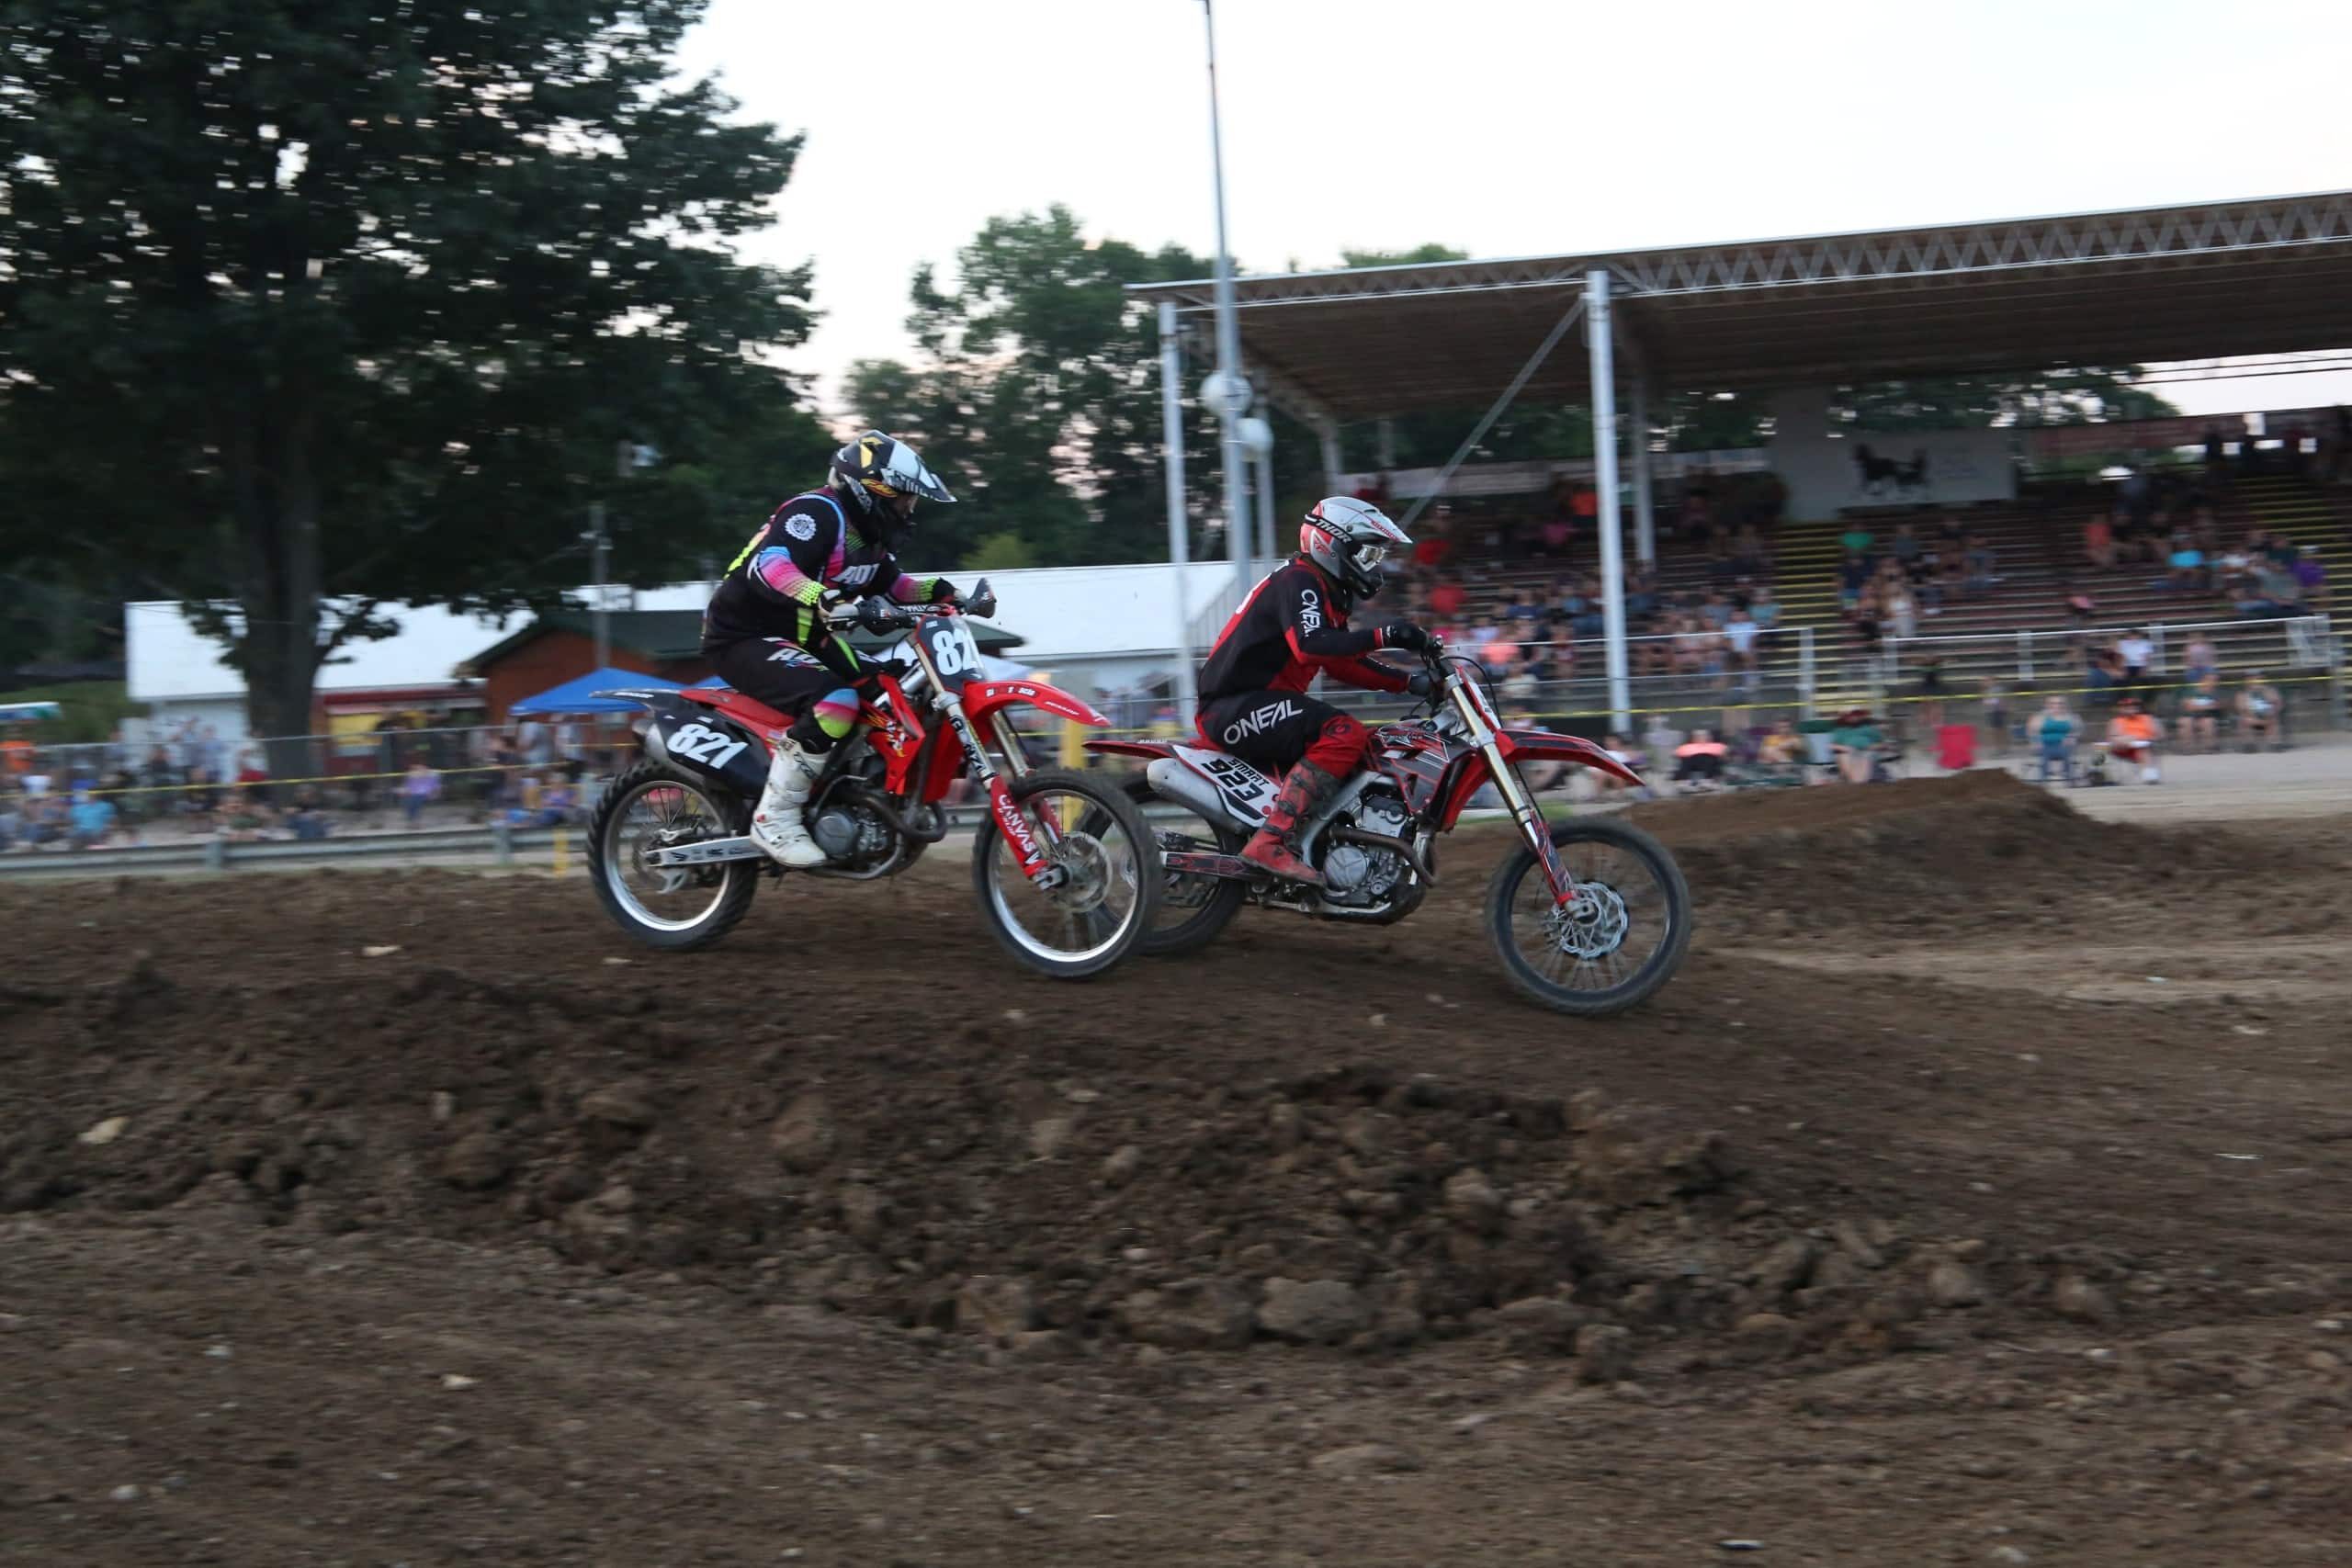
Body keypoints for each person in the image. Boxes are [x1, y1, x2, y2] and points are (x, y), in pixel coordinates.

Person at [700, 431, 964, 866]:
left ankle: (849, 798)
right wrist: (820, 596)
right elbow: (771, 565)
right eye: (904, 501)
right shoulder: (817, 513)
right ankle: (775, 818)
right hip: (742, 636)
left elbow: (897, 587)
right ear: (872, 490)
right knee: (835, 703)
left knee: (894, 692)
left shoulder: (868, 538)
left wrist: (949, 593)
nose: (908, 511)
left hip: (809, 640)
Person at [1193, 497, 1432, 886]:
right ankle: (1271, 841)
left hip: (1256, 704)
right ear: (1333, 544)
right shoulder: (1300, 580)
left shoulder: (1324, 588)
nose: (1373, 565)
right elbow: (1311, 645)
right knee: (1344, 733)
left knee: (1372, 743)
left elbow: (1340, 662)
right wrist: (1385, 635)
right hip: (1232, 706)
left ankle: (1323, 840)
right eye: (1367, 553)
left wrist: (1408, 682)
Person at [2106, 696, 2163, 784]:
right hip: (2123, 748)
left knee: (2143, 750)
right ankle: (2100, 775)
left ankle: (2150, 778)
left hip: (2143, 748)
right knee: (2103, 747)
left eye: (2134, 705)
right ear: (2121, 709)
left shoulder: (2147, 718)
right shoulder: (2117, 721)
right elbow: (2112, 739)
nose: (2131, 708)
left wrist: (2140, 739)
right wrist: (2126, 739)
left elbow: (2158, 735)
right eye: (2127, 706)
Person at [2030, 695, 2079, 784]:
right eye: (2053, 703)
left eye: (2059, 703)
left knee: (2065, 752)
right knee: (2045, 754)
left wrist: (2071, 737)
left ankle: (2069, 778)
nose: (2056, 706)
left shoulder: (2070, 717)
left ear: (2064, 705)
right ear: (2047, 705)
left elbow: (2076, 731)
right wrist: (2036, 741)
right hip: (2045, 745)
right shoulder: (2040, 717)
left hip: (2063, 745)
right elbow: (2033, 732)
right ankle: (2043, 779)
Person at [2177, 672, 2223, 752]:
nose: (2213, 683)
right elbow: (2187, 706)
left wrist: (2196, 706)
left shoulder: (2215, 693)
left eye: (2215, 681)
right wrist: (2207, 706)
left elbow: (2217, 705)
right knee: (2185, 721)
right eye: (2210, 680)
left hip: (2208, 717)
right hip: (2191, 716)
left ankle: (2208, 747)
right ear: (2203, 680)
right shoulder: (2191, 691)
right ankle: (2188, 748)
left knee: (2207, 722)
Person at [2235, 671, 2281, 749]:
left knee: (2274, 720)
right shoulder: (2242, 694)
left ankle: (2274, 744)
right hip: (2251, 719)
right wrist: (2257, 720)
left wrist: (2272, 712)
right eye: (2251, 678)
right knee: (2244, 721)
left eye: (2257, 678)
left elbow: (2278, 704)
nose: (2254, 680)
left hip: (2267, 718)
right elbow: (2241, 709)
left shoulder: (2270, 691)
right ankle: (2249, 745)